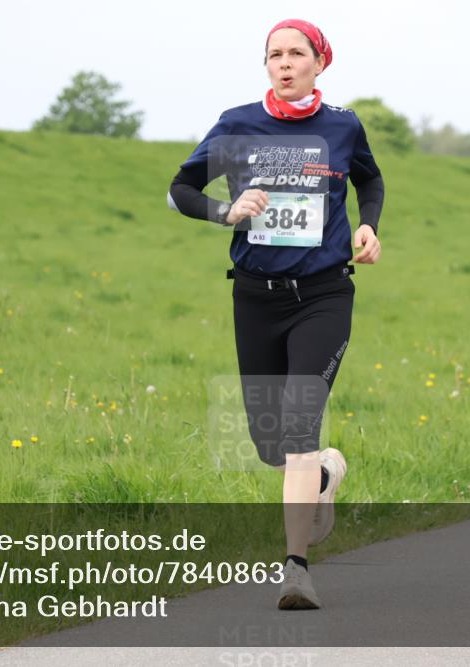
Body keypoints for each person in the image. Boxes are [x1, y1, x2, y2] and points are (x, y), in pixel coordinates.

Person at [167, 18, 384, 610]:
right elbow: (178, 189)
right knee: (273, 447)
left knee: (297, 430)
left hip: (324, 294)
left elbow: (370, 179)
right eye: (273, 55)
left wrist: (368, 225)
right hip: (255, 297)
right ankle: (322, 474)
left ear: (320, 61)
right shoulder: (238, 124)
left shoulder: (342, 126)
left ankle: (295, 570)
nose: (283, 63)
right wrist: (225, 211)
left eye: (296, 54)